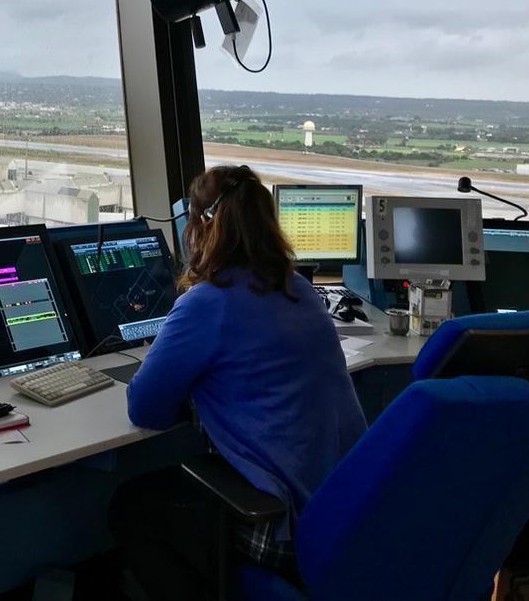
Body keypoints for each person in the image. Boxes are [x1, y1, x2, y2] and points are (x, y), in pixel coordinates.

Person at [110, 165, 367, 600]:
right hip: (343, 515)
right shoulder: (300, 289)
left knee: (132, 509)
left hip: (283, 529)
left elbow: (145, 408)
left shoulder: (207, 303)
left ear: (201, 227)